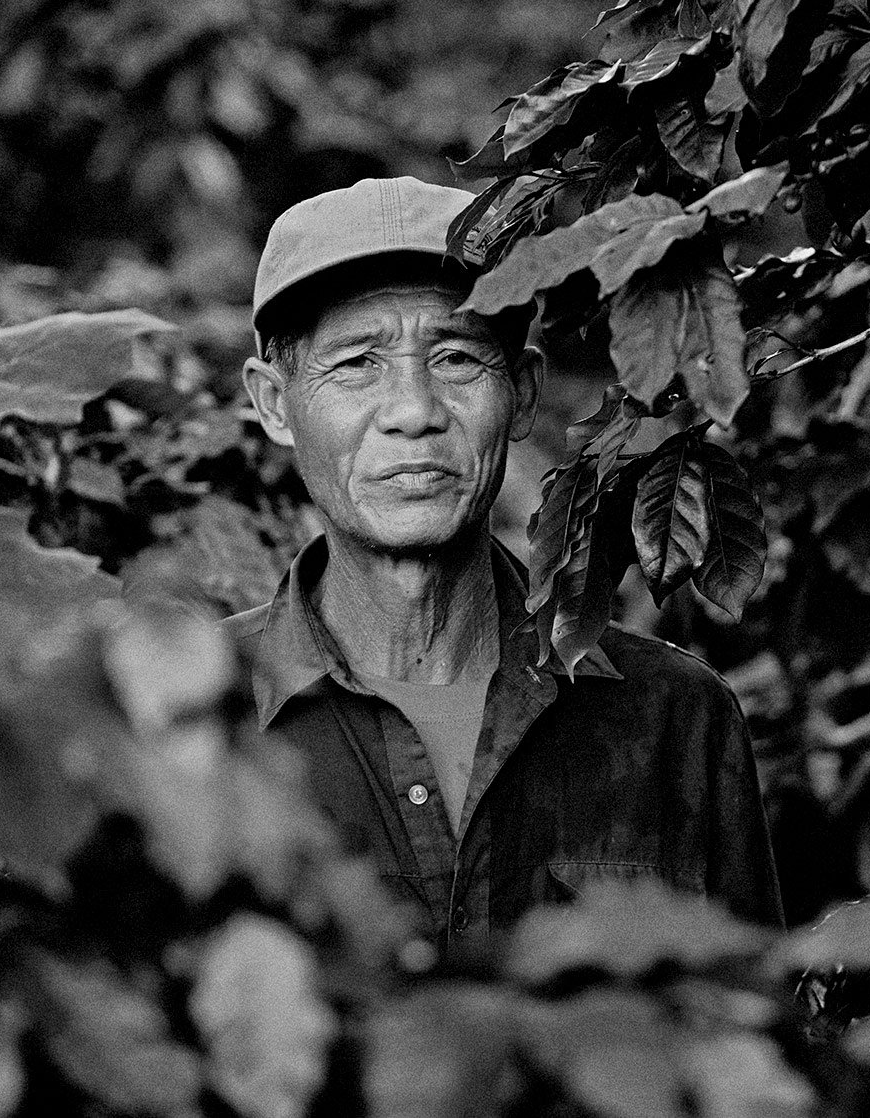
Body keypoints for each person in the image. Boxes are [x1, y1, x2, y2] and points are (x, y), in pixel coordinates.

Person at [230, 176, 782, 953]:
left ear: (522, 392)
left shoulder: (675, 719)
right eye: (356, 363)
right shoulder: (186, 720)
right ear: (275, 404)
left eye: (456, 357)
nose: (415, 410)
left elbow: (753, 1039)